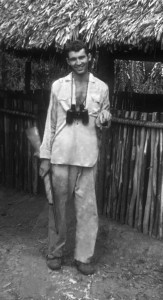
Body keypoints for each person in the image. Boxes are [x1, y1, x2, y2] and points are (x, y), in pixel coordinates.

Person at [39, 40, 112, 275]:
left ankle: (84, 257)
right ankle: (55, 252)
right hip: (61, 156)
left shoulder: (101, 87)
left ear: (88, 57)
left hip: (88, 158)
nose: (78, 62)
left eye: (82, 57)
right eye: (74, 59)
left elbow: (105, 118)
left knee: (88, 210)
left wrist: (105, 118)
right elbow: (50, 123)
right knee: (58, 208)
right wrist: (45, 156)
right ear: (68, 61)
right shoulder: (58, 86)